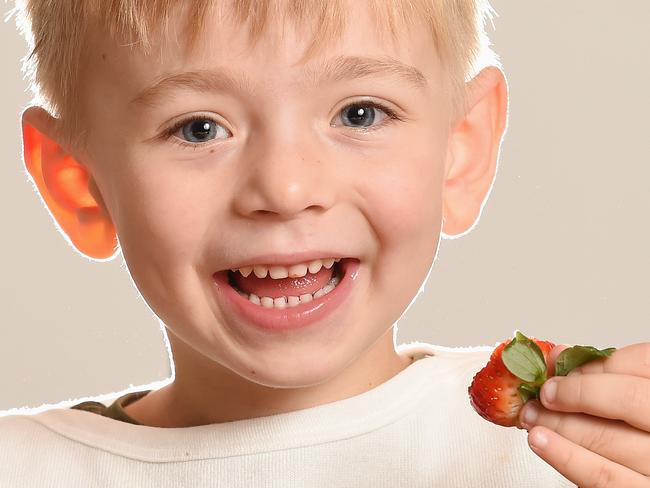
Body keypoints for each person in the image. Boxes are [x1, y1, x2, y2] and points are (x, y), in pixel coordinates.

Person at [1, 1, 648, 486]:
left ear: (460, 151)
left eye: (359, 113)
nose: (285, 188)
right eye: (198, 129)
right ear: (80, 183)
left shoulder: (582, 451)